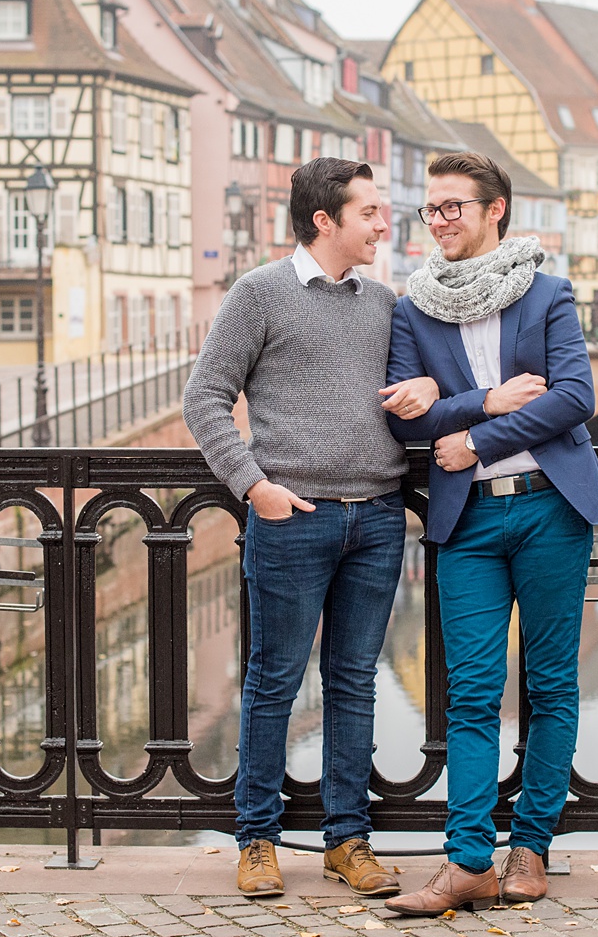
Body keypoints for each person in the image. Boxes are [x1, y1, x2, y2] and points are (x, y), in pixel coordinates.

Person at [182, 157, 440, 899]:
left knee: (354, 681)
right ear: (325, 220)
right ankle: (257, 839)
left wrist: (428, 386)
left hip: (379, 518)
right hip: (292, 519)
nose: (384, 224)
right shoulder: (259, 294)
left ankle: (347, 840)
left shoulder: (385, 300)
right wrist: (253, 484)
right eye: (370, 212)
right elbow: (205, 397)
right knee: (273, 683)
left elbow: (420, 387)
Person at [380, 151, 598, 916]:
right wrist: (487, 399)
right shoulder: (410, 310)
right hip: (468, 522)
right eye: (432, 209)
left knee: (551, 686)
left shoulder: (547, 293)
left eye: (455, 206)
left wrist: (474, 435)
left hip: (550, 508)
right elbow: (406, 415)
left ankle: (532, 848)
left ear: (495, 210)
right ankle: (468, 860)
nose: (441, 220)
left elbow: (575, 397)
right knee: (473, 691)